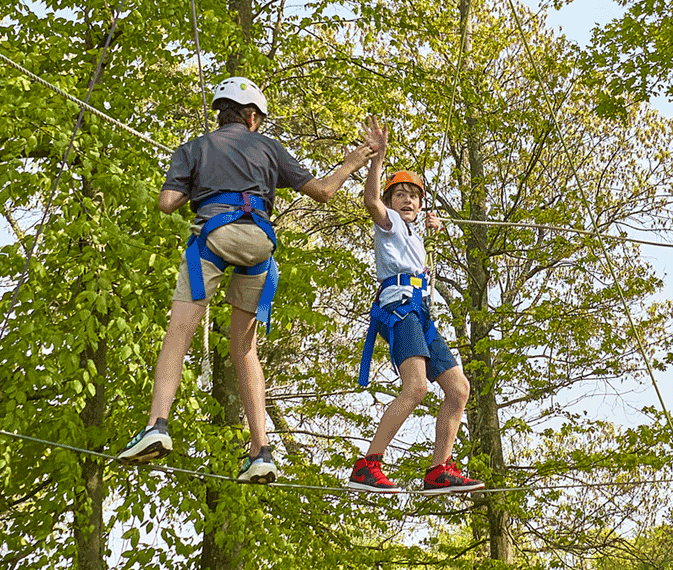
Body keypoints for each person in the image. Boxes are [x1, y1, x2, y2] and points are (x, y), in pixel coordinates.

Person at [117, 77, 375, 484]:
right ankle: (261, 451)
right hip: (260, 245)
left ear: (223, 112)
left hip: (214, 239)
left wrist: (195, 184)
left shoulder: (195, 148)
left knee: (179, 332)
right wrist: (355, 161)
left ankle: (157, 426)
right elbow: (324, 192)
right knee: (246, 348)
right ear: (253, 116)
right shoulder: (268, 147)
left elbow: (167, 204)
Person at [350, 116, 485, 494]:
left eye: (413, 195)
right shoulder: (389, 223)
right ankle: (368, 464)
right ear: (392, 203)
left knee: (458, 389)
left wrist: (432, 224)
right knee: (416, 388)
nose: (406, 200)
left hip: (422, 315)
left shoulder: (413, 229)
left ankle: (438, 469)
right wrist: (378, 160)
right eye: (400, 195)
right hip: (400, 310)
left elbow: (419, 229)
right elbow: (371, 201)